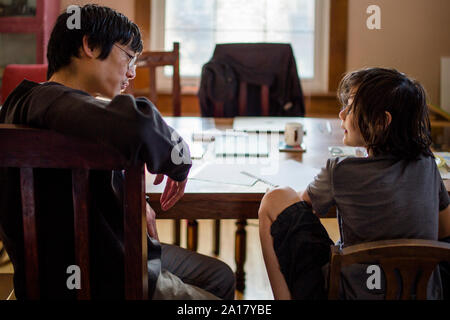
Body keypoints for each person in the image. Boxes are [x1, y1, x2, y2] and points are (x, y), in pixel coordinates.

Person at [0, 4, 235, 300]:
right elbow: (139, 122)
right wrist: (179, 159)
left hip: (94, 256)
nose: (133, 72)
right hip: (105, 277)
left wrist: (129, 199)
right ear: (89, 44)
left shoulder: (38, 106)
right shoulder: (47, 100)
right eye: (128, 56)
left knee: (220, 275)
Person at [258, 67, 450, 300]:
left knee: (275, 198)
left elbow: (300, 204)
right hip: (423, 293)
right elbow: (444, 230)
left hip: (352, 294)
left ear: (381, 121)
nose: (341, 114)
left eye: (350, 107)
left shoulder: (339, 170)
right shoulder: (428, 164)